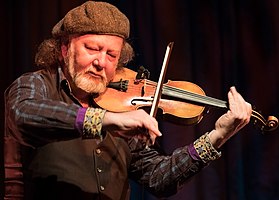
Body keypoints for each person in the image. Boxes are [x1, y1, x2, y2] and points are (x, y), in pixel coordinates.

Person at [4, 1, 252, 200]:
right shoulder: (35, 84)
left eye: (112, 54)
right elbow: (24, 114)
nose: (101, 62)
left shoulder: (118, 106)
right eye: (92, 48)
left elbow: (158, 178)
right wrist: (107, 120)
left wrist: (217, 137)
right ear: (65, 49)